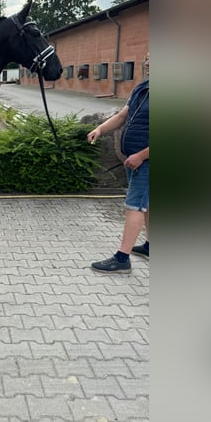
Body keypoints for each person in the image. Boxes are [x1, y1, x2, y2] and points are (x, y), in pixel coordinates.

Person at [88, 55, 149, 273]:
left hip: (146, 161)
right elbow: (123, 116)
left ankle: (122, 259)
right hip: (134, 158)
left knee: (135, 205)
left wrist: (142, 155)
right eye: (148, 59)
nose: (148, 63)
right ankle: (150, 247)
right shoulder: (142, 88)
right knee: (146, 203)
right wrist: (100, 129)